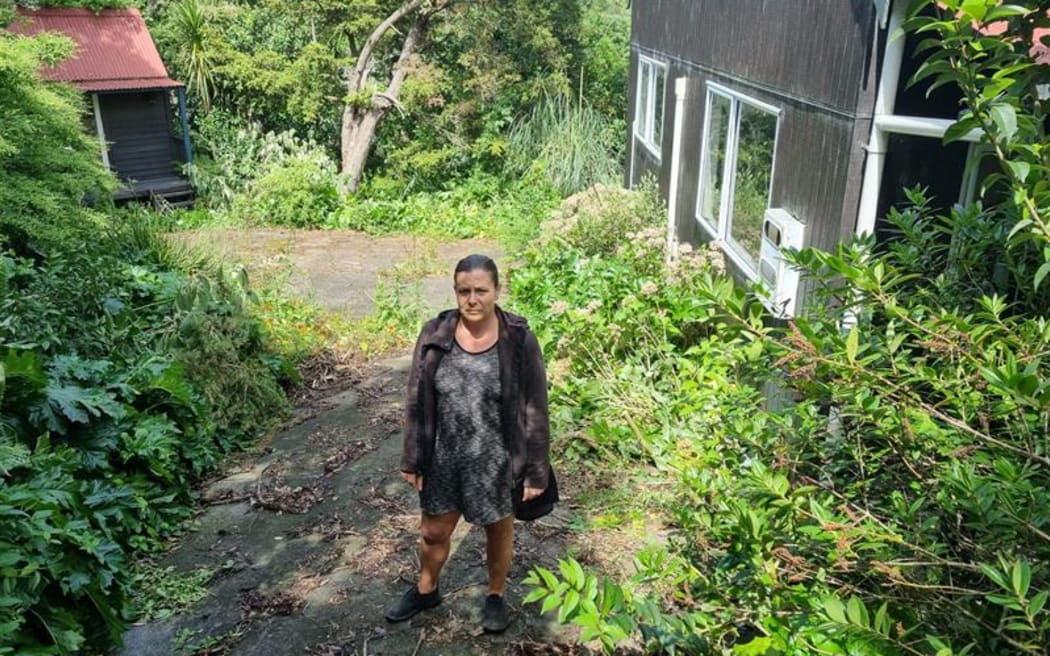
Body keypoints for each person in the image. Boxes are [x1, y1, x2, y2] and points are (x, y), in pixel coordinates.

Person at [385, 254, 551, 633]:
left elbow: (535, 407)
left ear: (497, 290)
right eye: (464, 291)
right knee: (433, 531)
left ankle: (495, 595)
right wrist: (413, 456)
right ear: (455, 292)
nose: (472, 299)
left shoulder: (519, 339)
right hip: (444, 456)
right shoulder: (434, 334)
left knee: (498, 529)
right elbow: (415, 398)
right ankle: (427, 589)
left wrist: (535, 472)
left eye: (481, 290)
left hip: (496, 459)